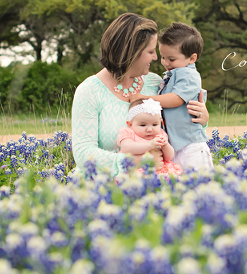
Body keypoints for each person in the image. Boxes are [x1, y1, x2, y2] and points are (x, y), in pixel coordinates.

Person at [71, 13, 209, 174]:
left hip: (155, 183)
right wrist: (134, 162)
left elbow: (176, 124)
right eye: (150, 52)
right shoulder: (89, 91)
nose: (157, 57)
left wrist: (202, 119)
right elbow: (83, 153)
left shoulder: (154, 83)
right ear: (131, 52)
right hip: (103, 186)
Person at [130, 22, 214, 171]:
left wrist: (143, 98)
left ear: (192, 58)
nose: (165, 62)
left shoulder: (189, 75)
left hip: (191, 147)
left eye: (171, 59)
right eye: (163, 57)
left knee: (200, 184)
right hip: (176, 146)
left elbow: (175, 99)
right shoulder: (172, 74)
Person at [117, 99, 182, 175]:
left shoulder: (160, 135)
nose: (149, 129)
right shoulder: (129, 133)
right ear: (130, 124)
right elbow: (126, 148)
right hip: (137, 171)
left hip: (161, 171)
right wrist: (149, 145)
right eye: (143, 125)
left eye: (154, 124)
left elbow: (169, 157)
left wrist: (166, 146)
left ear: (161, 122)